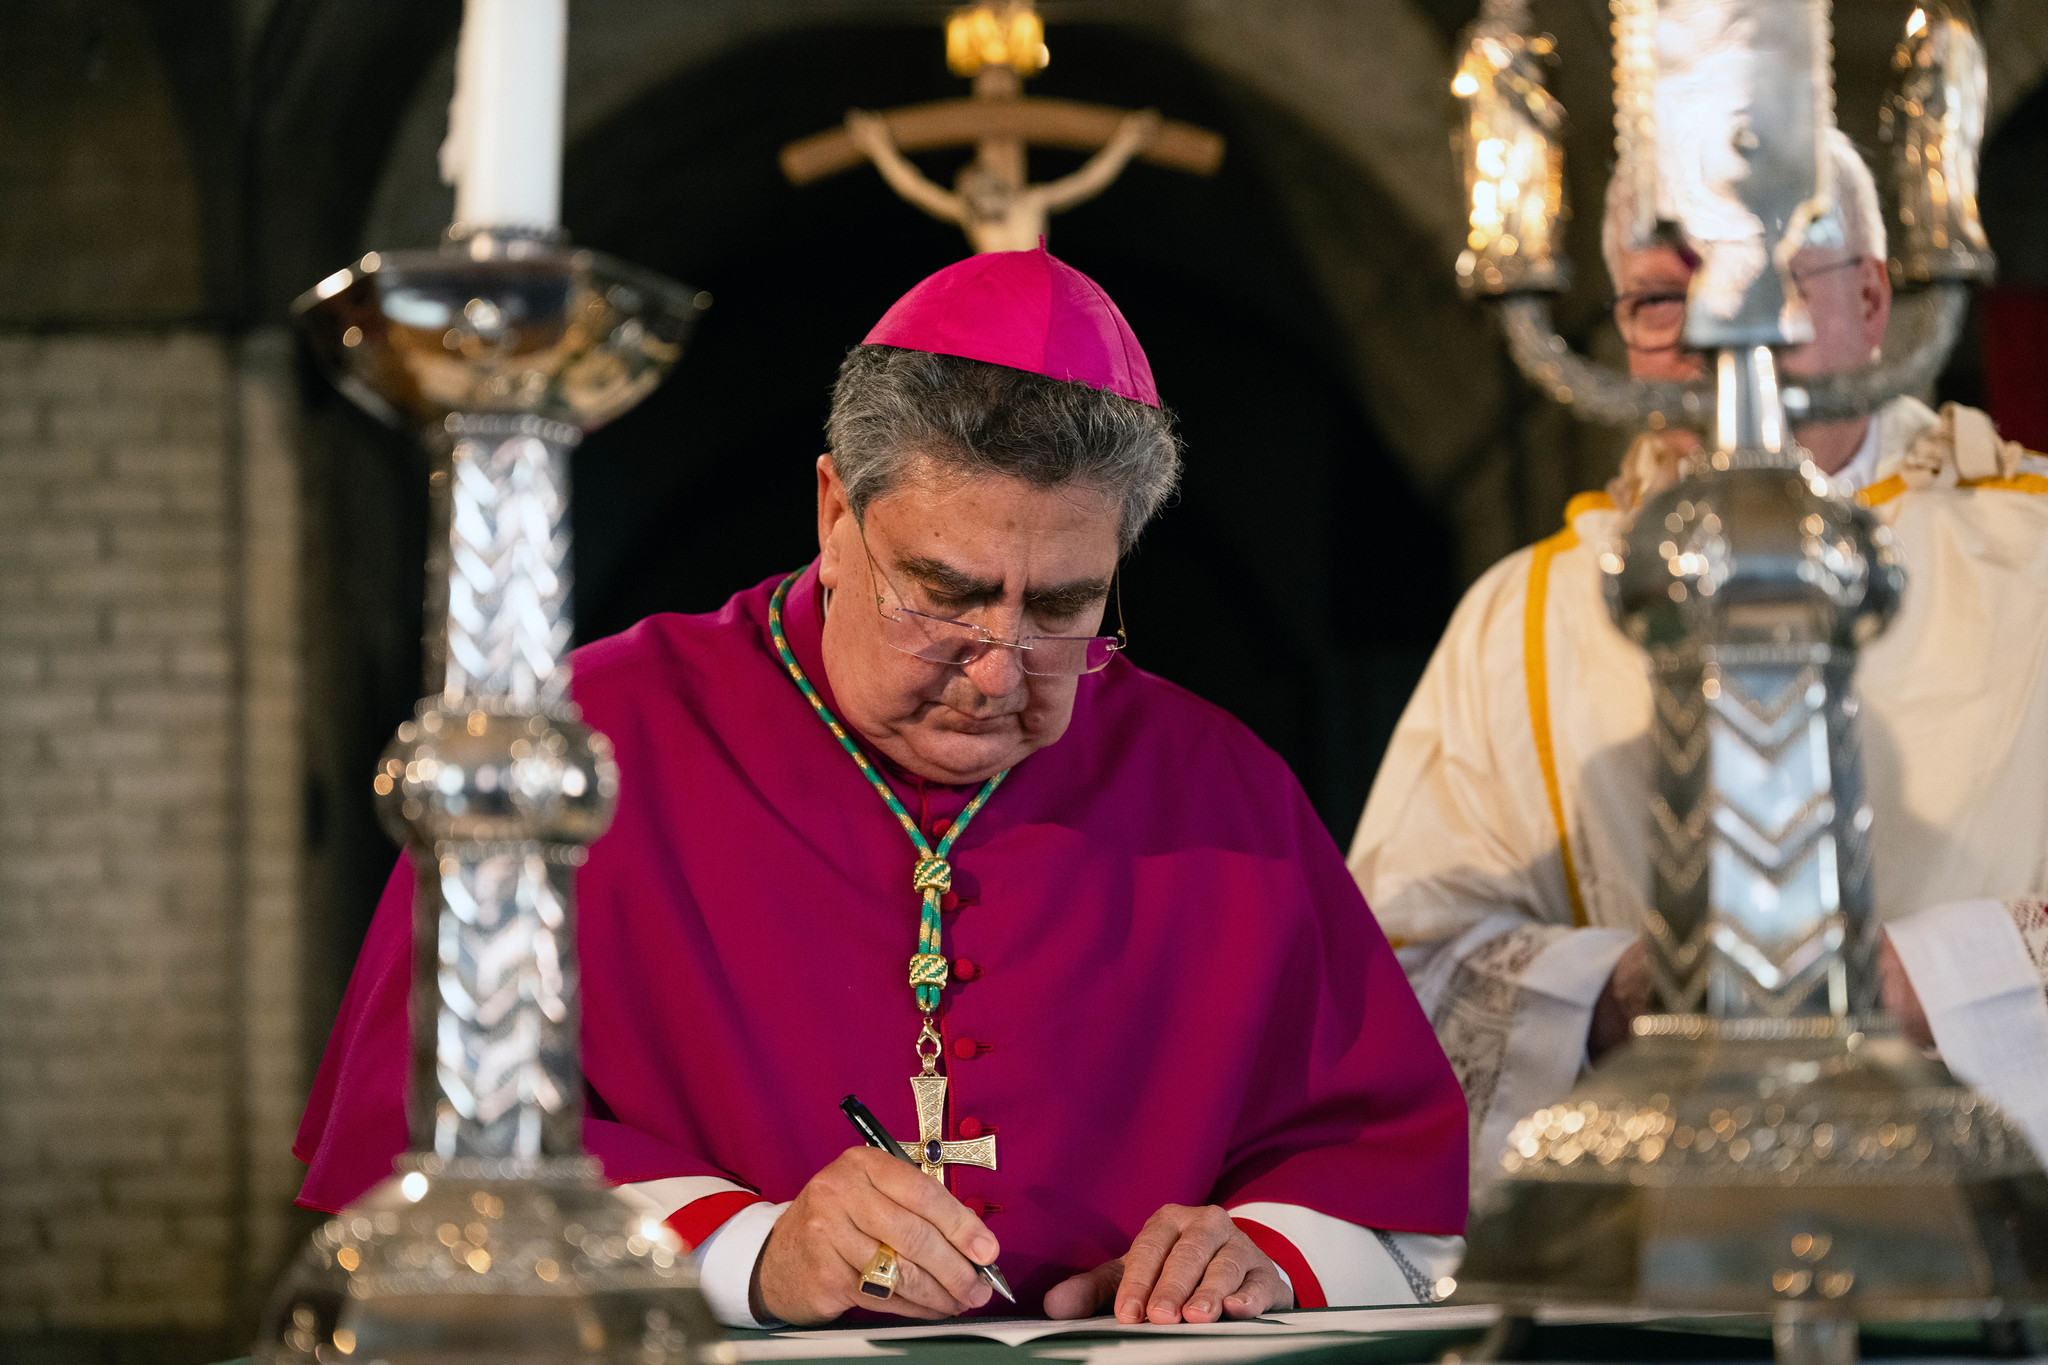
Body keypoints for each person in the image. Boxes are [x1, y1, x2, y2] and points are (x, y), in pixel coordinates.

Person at [297, 247, 1469, 1329]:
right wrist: (750, 1250)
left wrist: (1265, 1252)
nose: (997, 671)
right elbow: (429, 1159)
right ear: (833, 513)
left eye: (1061, 607)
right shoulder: (580, 745)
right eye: (944, 594)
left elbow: (1390, 1175)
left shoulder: (1218, 790)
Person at [1350, 129, 2048, 1195]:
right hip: (1646, 1241)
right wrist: (1615, 990)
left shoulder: (2029, 559)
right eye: (1657, 301)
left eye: (1769, 280)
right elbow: (1393, 966)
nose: (1716, 340)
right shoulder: (1519, 616)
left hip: (1987, 1237)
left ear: (1871, 303)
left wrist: (1929, 981)